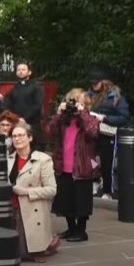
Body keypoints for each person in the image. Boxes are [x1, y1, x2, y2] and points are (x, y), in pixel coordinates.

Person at [45, 89, 100, 243]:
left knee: (81, 201)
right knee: (65, 200)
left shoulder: (91, 119)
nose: (76, 106)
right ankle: (71, 228)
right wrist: (58, 114)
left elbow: (93, 132)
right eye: (74, 102)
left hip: (82, 167)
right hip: (64, 166)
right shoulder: (64, 120)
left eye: (80, 103)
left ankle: (81, 230)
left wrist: (83, 113)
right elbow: (49, 131)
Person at [9, 123, 59, 262]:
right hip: (9, 206)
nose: (17, 139)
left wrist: (26, 191)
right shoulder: (8, 159)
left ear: (30, 138)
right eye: (14, 136)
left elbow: (51, 190)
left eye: (21, 135)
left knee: (26, 251)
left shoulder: (43, 160)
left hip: (31, 209)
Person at [87, 72, 130, 199]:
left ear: (104, 82)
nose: (94, 85)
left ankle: (108, 190)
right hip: (92, 131)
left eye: (96, 83)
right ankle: (95, 179)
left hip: (108, 132)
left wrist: (105, 118)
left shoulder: (116, 97)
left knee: (107, 162)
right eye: (92, 83)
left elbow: (123, 117)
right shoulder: (89, 95)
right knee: (91, 158)